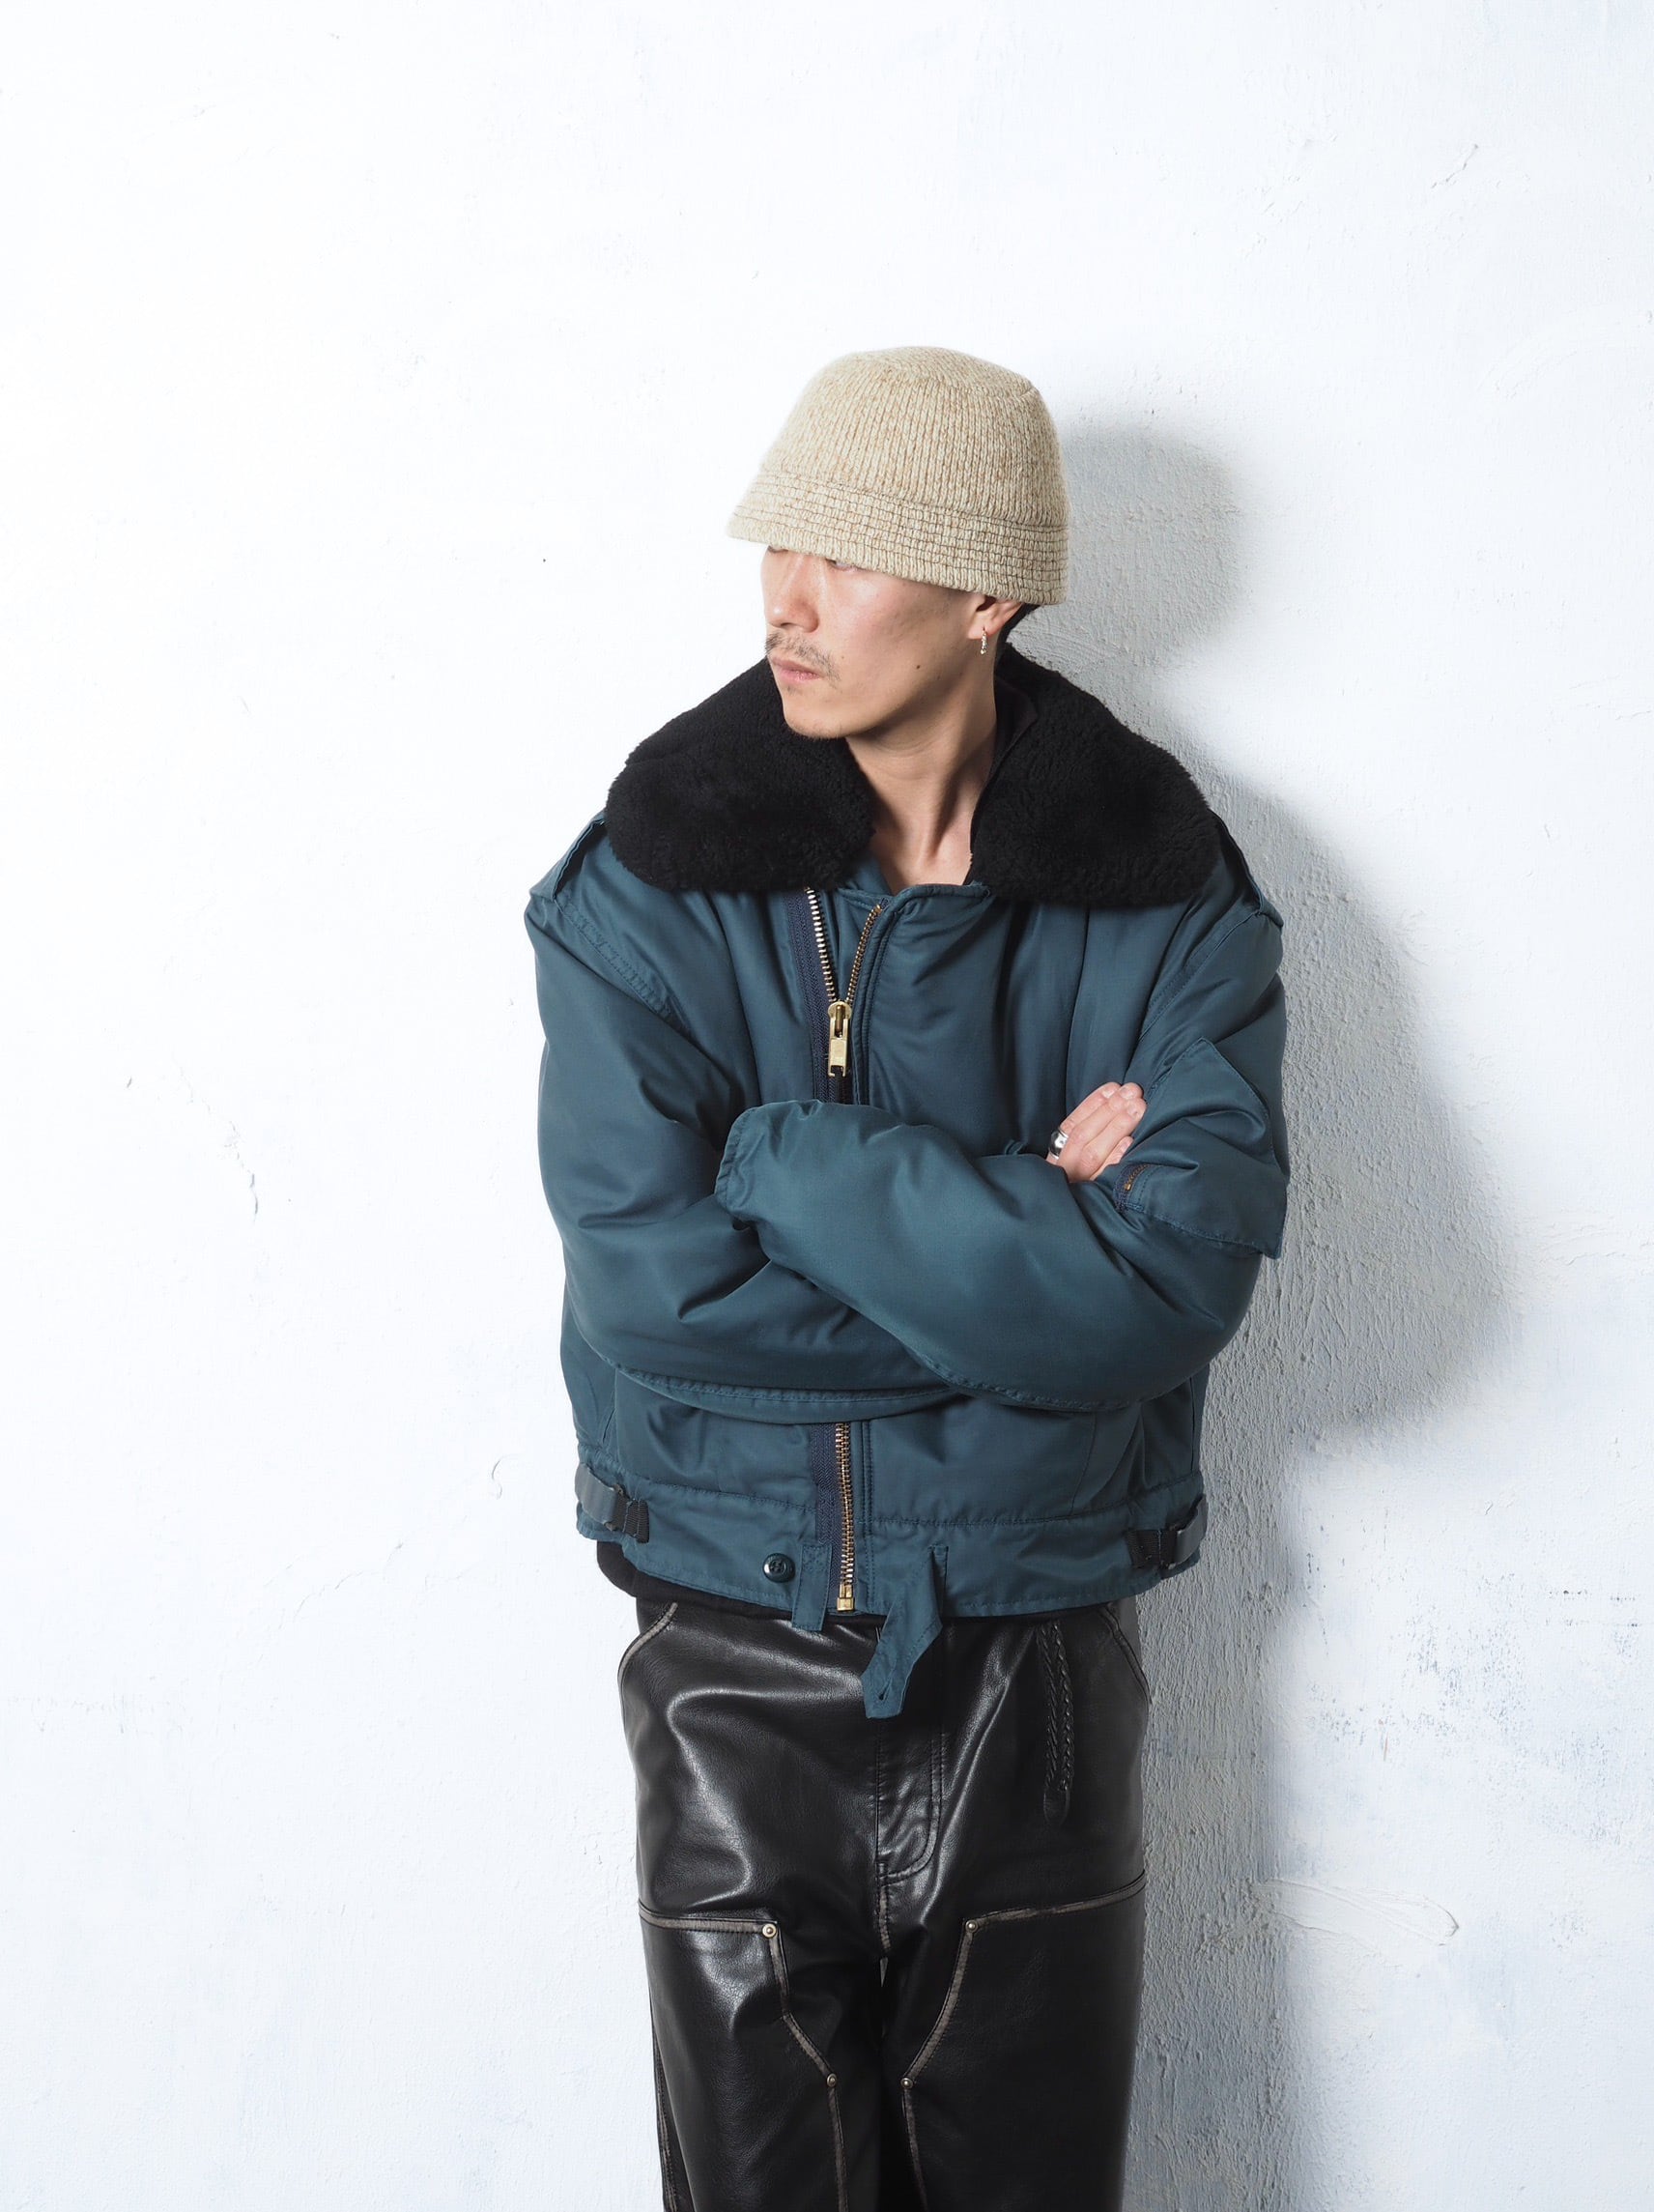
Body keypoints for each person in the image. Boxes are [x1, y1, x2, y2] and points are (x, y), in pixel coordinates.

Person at [525, 346, 1289, 2212]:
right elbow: (654, 1294)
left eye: (849, 555)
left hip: (1038, 1660)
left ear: (987, 597)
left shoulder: (1166, 891)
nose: (786, 599)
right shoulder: (644, 884)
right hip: (730, 1650)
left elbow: (1170, 1286)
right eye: (778, 543)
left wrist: (784, 1163)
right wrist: (1027, 1233)